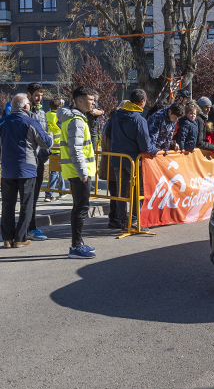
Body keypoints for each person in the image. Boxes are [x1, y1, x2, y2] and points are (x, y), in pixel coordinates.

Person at [0, 94, 53, 249]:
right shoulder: (31, 122)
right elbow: (45, 143)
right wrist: (49, 135)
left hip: (7, 169)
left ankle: (7, 238)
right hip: (27, 169)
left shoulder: (2, 122)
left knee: (7, 205)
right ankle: (20, 238)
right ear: (25, 107)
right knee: (26, 204)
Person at [105, 89, 159, 232]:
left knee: (120, 191)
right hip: (134, 161)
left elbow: (107, 133)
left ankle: (123, 221)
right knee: (138, 191)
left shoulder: (116, 115)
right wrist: (156, 151)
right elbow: (145, 146)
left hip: (118, 158)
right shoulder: (139, 120)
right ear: (142, 102)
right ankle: (135, 221)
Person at [58, 86, 98, 259]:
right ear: (79, 101)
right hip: (79, 172)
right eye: (90, 100)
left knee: (79, 207)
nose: (93, 102)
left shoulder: (74, 118)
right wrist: (83, 172)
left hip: (75, 171)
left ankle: (79, 243)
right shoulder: (77, 121)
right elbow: (76, 149)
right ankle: (76, 246)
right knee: (81, 208)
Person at [26, 83, 51, 241]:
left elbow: (45, 134)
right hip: (27, 160)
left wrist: (45, 153)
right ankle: (28, 227)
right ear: (28, 94)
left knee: (34, 196)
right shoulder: (24, 113)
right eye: (36, 95)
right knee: (26, 197)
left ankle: (31, 226)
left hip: (39, 160)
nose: (39, 98)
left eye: (41, 95)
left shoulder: (42, 113)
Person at [100, 108, 121, 229]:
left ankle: (115, 217)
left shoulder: (108, 126)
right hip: (113, 164)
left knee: (115, 193)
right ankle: (114, 218)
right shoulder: (112, 128)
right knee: (115, 194)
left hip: (110, 164)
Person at [45, 98, 65, 202]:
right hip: (58, 147)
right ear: (59, 107)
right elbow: (64, 127)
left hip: (50, 145)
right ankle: (49, 194)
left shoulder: (47, 114)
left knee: (59, 169)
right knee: (55, 171)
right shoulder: (58, 117)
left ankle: (63, 191)